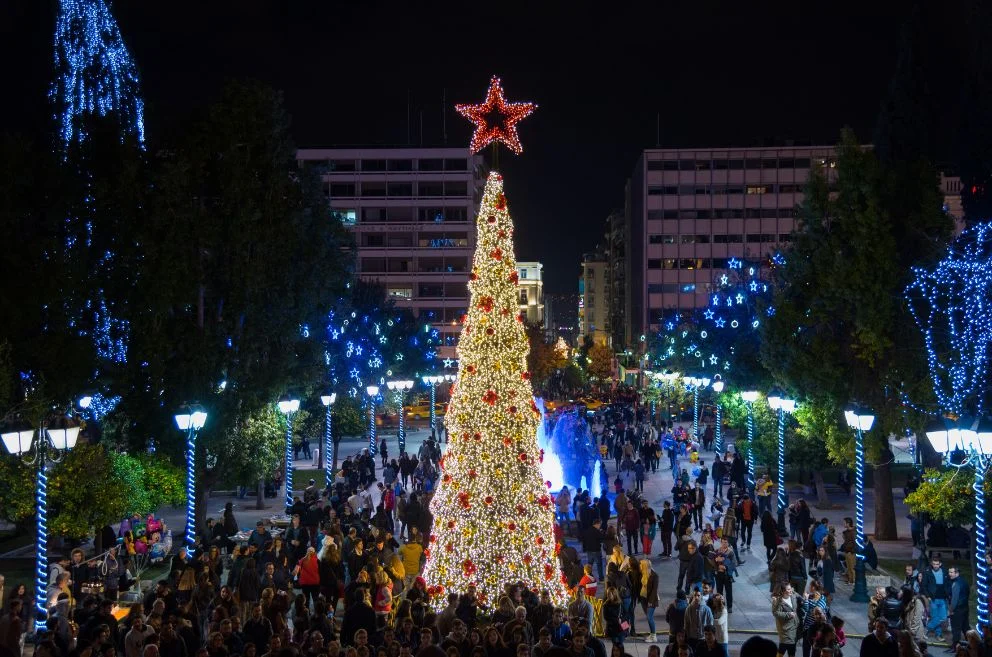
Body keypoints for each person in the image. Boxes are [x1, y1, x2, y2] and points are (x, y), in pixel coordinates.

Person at [772, 583, 801, 657]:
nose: (790, 590)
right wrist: (788, 614)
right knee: (788, 647)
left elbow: (801, 598)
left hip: (794, 627)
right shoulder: (778, 601)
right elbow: (775, 613)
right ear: (783, 591)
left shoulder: (793, 595)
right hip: (786, 629)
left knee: (787, 647)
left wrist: (806, 599)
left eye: (790, 588)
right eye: (788, 589)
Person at [948, 565, 970, 649]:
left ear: (957, 573)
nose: (949, 574)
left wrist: (951, 610)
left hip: (957, 610)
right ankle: (971, 643)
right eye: (949, 572)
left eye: (951, 572)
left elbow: (954, 600)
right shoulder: (965, 581)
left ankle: (955, 647)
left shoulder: (956, 584)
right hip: (965, 608)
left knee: (956, 629)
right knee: (966, 627)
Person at [639, 559, 659, 643]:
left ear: (644, 566)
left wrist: (650, 601)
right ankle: (651, 634)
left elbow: (654, 590)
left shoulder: (654, 576)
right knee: (648, 617)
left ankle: (654, 636)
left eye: (641, 565)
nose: (639, 566)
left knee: (649, 617)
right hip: (644, 598)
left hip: (651, 600)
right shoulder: (643, 573)